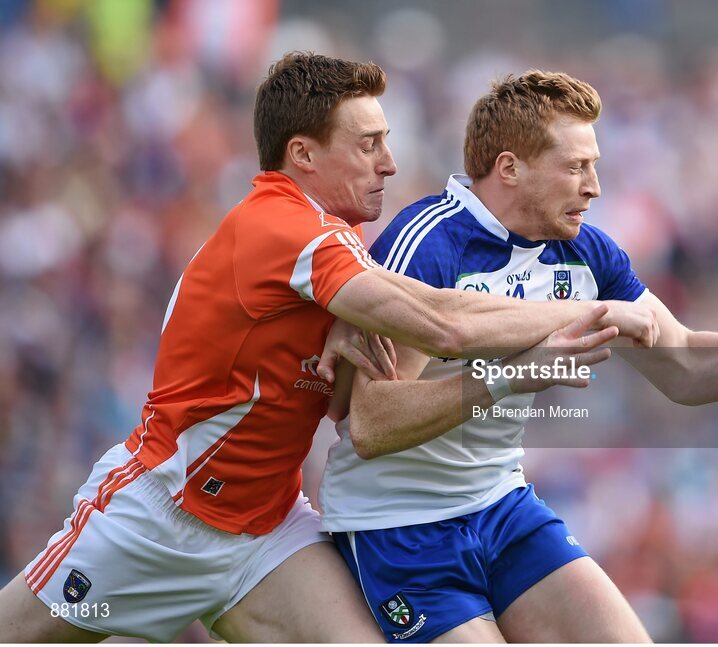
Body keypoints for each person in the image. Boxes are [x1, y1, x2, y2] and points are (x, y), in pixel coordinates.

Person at [0, 55, 658, 643]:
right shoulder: (287, 229)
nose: (390, 163)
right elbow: (445, 325)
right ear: (303, 154)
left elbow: (396, 349)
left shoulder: (333, 242)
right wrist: (597, 311)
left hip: (266, 533)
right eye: (369, 144)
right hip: (157, 513)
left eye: (387, 143)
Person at [316, 70, 718, 643]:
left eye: (594, 166)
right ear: (510, 168)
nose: (593, 187)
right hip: (399, 527)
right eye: (575, 168)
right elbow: (372, 422)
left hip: (499, 504)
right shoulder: (430, 244)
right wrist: (511, 378)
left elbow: (686, 365)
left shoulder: (586, 252)